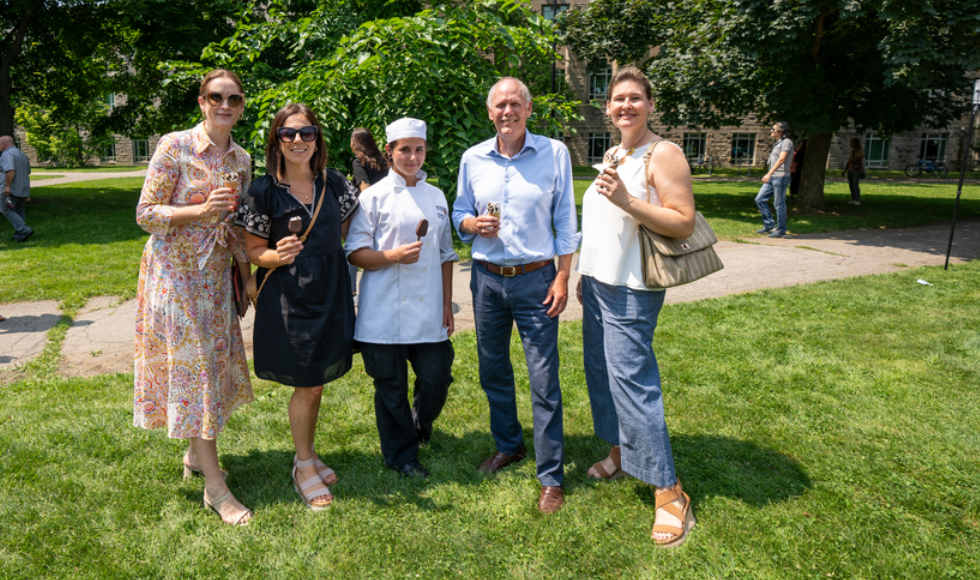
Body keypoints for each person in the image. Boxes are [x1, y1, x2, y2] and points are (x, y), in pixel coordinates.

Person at [577, 66, 697, 547]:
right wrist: (586, 271)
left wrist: (628, 200)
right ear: (607, 108)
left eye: (635, 98)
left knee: (632, 382)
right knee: (601, 374)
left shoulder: (663, 152)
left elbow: (682, 222)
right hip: (600, 283)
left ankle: (670, 492)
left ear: (650, 105)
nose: (625, 106)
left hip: (633, 288)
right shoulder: (615, 153)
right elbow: (604, 223)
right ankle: (623, 452)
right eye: (617, 99)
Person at [452, 77, 581, 514]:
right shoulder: (473, 158)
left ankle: (551, 477)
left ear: (528, 110)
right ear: (489, 113)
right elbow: (458, 212)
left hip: (536, 279)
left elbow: (565, 218)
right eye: (499, 105)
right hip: (487, 278)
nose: (507, 111)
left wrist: (563, 276)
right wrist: (470, 225)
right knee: (492, 369)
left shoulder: (554, 153)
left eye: (515, 104)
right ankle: (509, 445)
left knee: (543, 378)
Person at [133, 69, 254, 526]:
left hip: (215, 280)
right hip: (175, 278)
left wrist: (246, 278)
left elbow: (237, 226)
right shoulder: (175, 146)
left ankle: (193, 454)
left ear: (242, 106)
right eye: (217, 97)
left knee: (210, 369)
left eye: (235, 98)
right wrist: (199, 211)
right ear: (202, 102)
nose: (226, 105)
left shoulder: (240, 159)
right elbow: (145, 213)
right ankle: (215, 487)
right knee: (197, 372)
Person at [236, 103, 358, 510]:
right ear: (277, 140)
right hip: (289, 298)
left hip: (330, 293)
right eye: (289, 134)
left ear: (317, 139)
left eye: (307, 133)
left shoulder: (335, 183)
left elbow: (339, 234)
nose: (298, 141)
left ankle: (306, 452)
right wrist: (279, 254)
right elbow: (254, 251)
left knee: (316, 380)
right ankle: (303, 464)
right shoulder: (262, 191)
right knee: (307, 382)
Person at [347, 118, 458, 478]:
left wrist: (446, 303)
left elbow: (444, 255)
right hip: (383, 311)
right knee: (390, 388)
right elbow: (355, 253)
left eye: (419, 149)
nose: (413, 157)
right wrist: (392, 256)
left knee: (436, 377)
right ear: (390, 151)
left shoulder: (437, 197)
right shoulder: (372, 197)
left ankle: (420, 420)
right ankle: (401, 456)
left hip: (428, 309)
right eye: (405, 149)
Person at [348, 128, 389, 302]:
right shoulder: (384, 159)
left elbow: (365, 187)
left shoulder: (359, 162)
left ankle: (352, 292)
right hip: (387, 208)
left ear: (355, 143)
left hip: (366, 211)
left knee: (354, 249)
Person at [755, 122, 794, 238]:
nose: (771, 131)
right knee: (760, 199)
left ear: (781, 131)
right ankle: (769, 225)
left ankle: (781, 230)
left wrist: (769, 173)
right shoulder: (777, 143)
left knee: (779, 204)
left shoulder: (787, 142)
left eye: (773, 129)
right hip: (773, 176)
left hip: (781, 177)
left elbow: (782, 160)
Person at [0, 135, 35, 242]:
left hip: (10, 188)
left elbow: (10, 170)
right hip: (23, 187)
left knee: (5, 209)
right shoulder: (22, 154)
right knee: (19, 210)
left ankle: (24, 230)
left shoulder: (7, 154)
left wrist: (7, 186)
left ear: (4, 144)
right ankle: (19, 233)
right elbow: (28, 171)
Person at [843, 138, 864, 205]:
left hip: (857, 169)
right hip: (851, 169)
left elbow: (854, 158)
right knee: (851, 185)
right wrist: (845, 170)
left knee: (855, 184)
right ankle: (853, 199)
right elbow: (849, 161)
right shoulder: (852, 151)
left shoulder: (861, 151)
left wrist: (852, 155)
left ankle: (857, 200)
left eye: (851, 143)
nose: (850, 144)